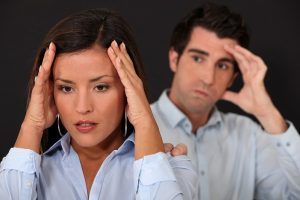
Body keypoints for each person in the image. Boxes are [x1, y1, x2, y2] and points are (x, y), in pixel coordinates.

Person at [0, 9, 197, 199]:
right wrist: (32, 124)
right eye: (67, 88)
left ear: (129, 88)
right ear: (51, 92)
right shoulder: (27, 172)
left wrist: (145, 122)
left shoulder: (173, 169)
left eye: (101, 87)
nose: (83, 107)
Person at [151, 3, 300, 200]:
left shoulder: (249, 135)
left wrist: (268, 114)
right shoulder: (134, 129)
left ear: (232, 78)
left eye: (222, 65)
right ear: (174, 59)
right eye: (198, 58)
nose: (208, 78)